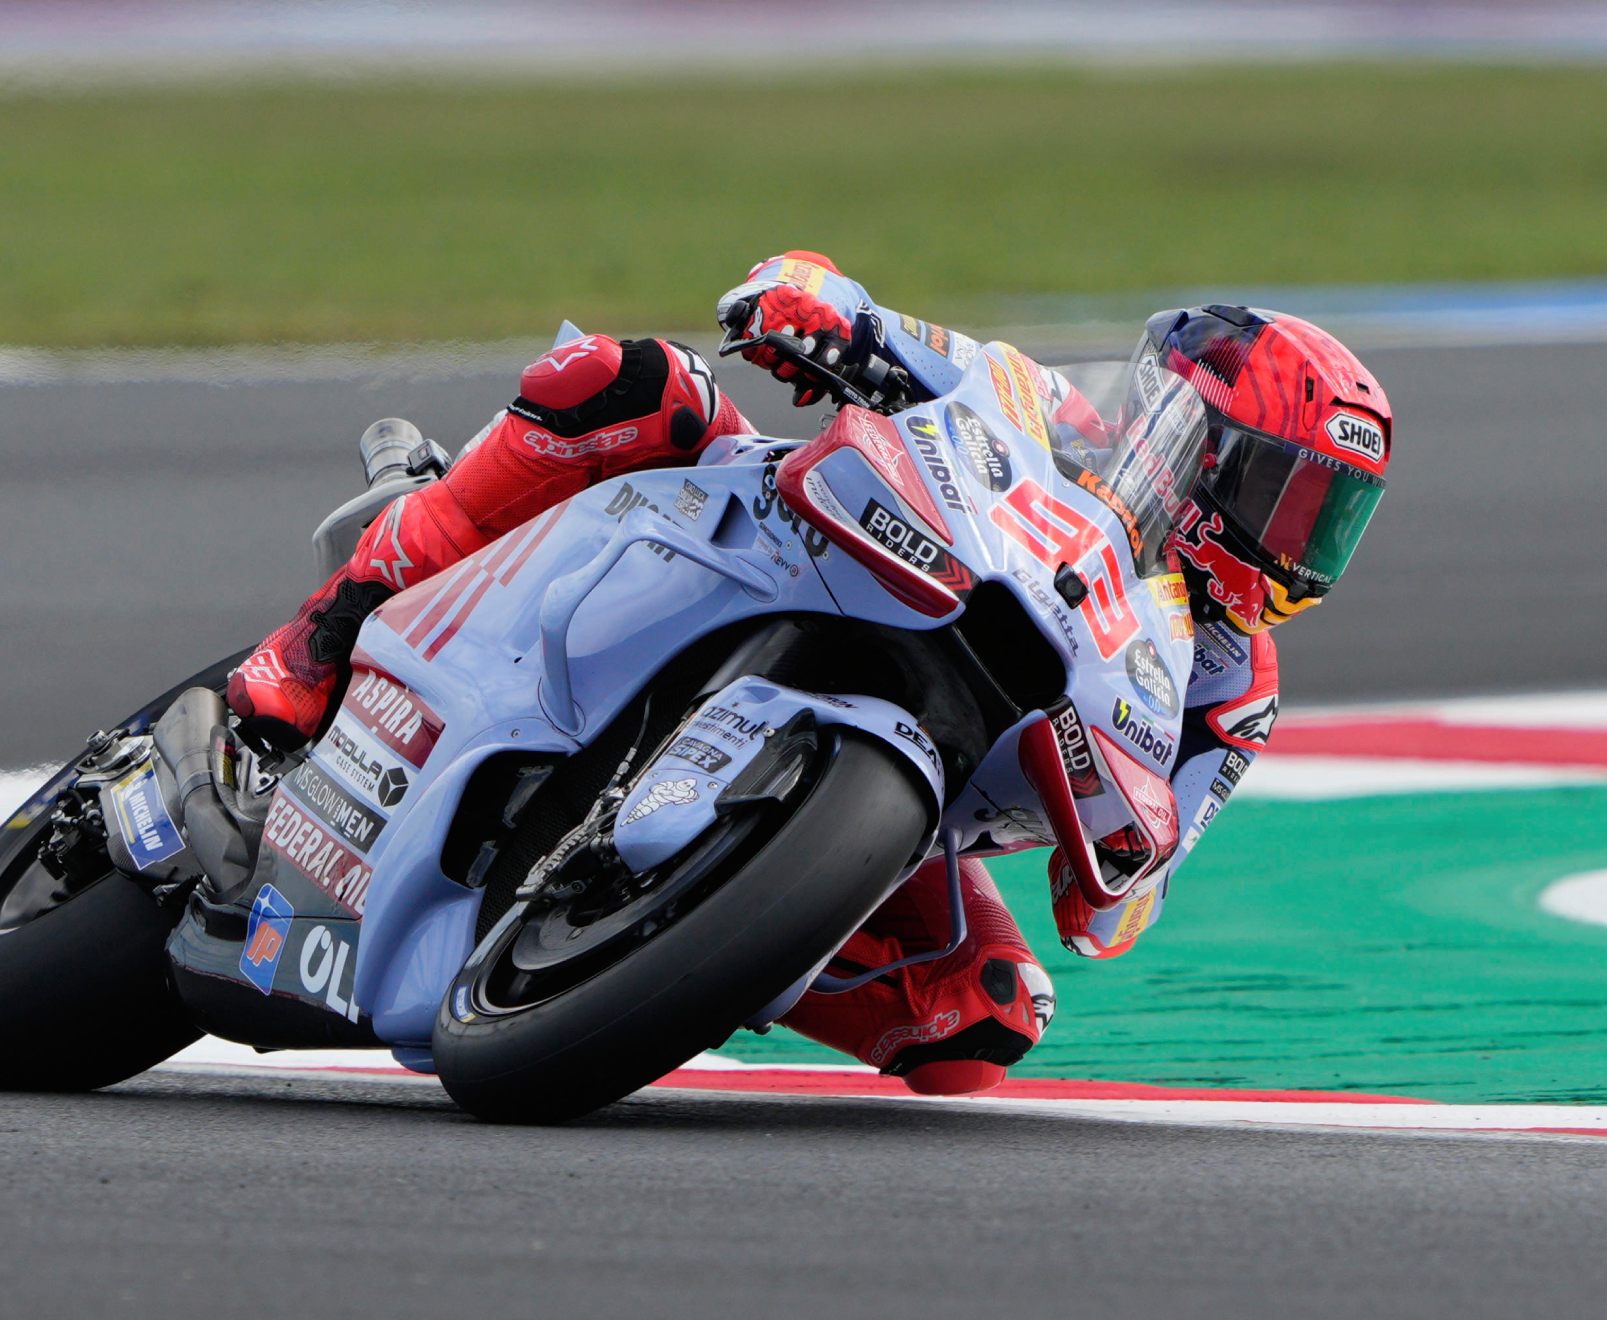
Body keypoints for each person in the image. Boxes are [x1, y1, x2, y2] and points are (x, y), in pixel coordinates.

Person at [228, 251, 1393, 1095]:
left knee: (980, 1023)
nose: (1297, 545)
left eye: (1329, 522)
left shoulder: (1230, 694)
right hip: (780, 548)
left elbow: (1120, 903)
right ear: (1197, 444)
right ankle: (333, 624)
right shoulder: (1049, 410)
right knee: (631, 380)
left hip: (924, 795)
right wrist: (810, 309)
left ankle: (675, 947)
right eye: (1284, 497)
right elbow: (868, 321)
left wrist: (1125, 871)